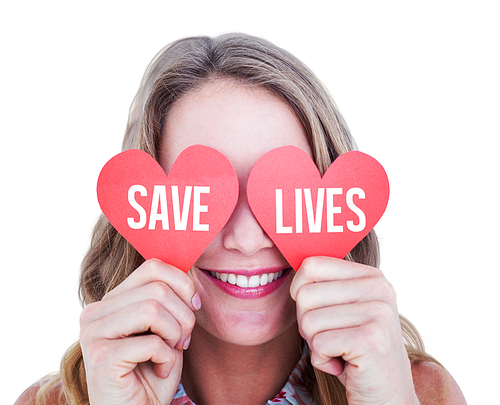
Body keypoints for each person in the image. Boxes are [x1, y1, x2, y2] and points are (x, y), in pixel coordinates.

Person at [15, 34, 466, 405]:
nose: (248, 239)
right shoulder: (54, 401)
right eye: (209, 192)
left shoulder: (418, 394)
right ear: (144, 208)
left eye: (283, 190)